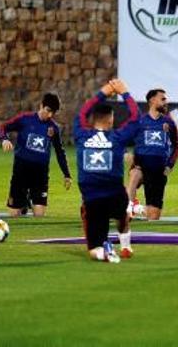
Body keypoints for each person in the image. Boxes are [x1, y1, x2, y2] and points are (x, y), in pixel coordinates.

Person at [74, 79, 140, 263]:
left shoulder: (81, 134)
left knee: (93, 250)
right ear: (111, 120)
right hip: (115, 193)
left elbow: (81, 112)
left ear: (92, 120)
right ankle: (125, 244)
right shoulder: (118, 137)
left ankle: (105, 251)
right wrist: (124, 92)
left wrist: (102, 92)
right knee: (123, 216)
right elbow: (136, 117)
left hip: (92, 199)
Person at [0, 93, 72, 217]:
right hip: (21, 172)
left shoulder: (53, 128)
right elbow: (2, 128)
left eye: (53, 112)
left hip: (40, 175)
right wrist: (4, 139)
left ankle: (28, 202)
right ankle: (24, 203)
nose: (50, 115)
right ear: (41, 106)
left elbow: (59, 151)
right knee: (14, 215)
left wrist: (67, 174)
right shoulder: (25, 119)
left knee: (39, 216)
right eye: (48, 110)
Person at [127, 88, 178, 220]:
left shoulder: (169, 122)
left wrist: (170, 165)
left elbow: (176, 145)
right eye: (163, 99)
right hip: (141, 167)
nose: (166, 102)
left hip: (159, 171)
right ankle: (128, 210)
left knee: (153, 217)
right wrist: (126, 154)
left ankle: (137, 208)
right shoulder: (139, 121)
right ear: (152, 100)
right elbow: (120, 139)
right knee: (134, 175)